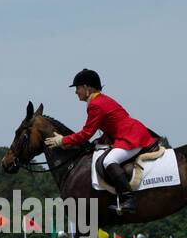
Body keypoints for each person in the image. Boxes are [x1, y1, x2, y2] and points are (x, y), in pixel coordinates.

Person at [44, 69, 157, 215]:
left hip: (131, 138)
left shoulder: (96, 104)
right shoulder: (101, 100)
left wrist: (62, 140)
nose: (76, 92)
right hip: (129, 133)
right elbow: (111, 125)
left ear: (87, 87)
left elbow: (86, 134)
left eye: (77, 88)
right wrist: (100, 140)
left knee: (108, 161)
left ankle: (128, 199)